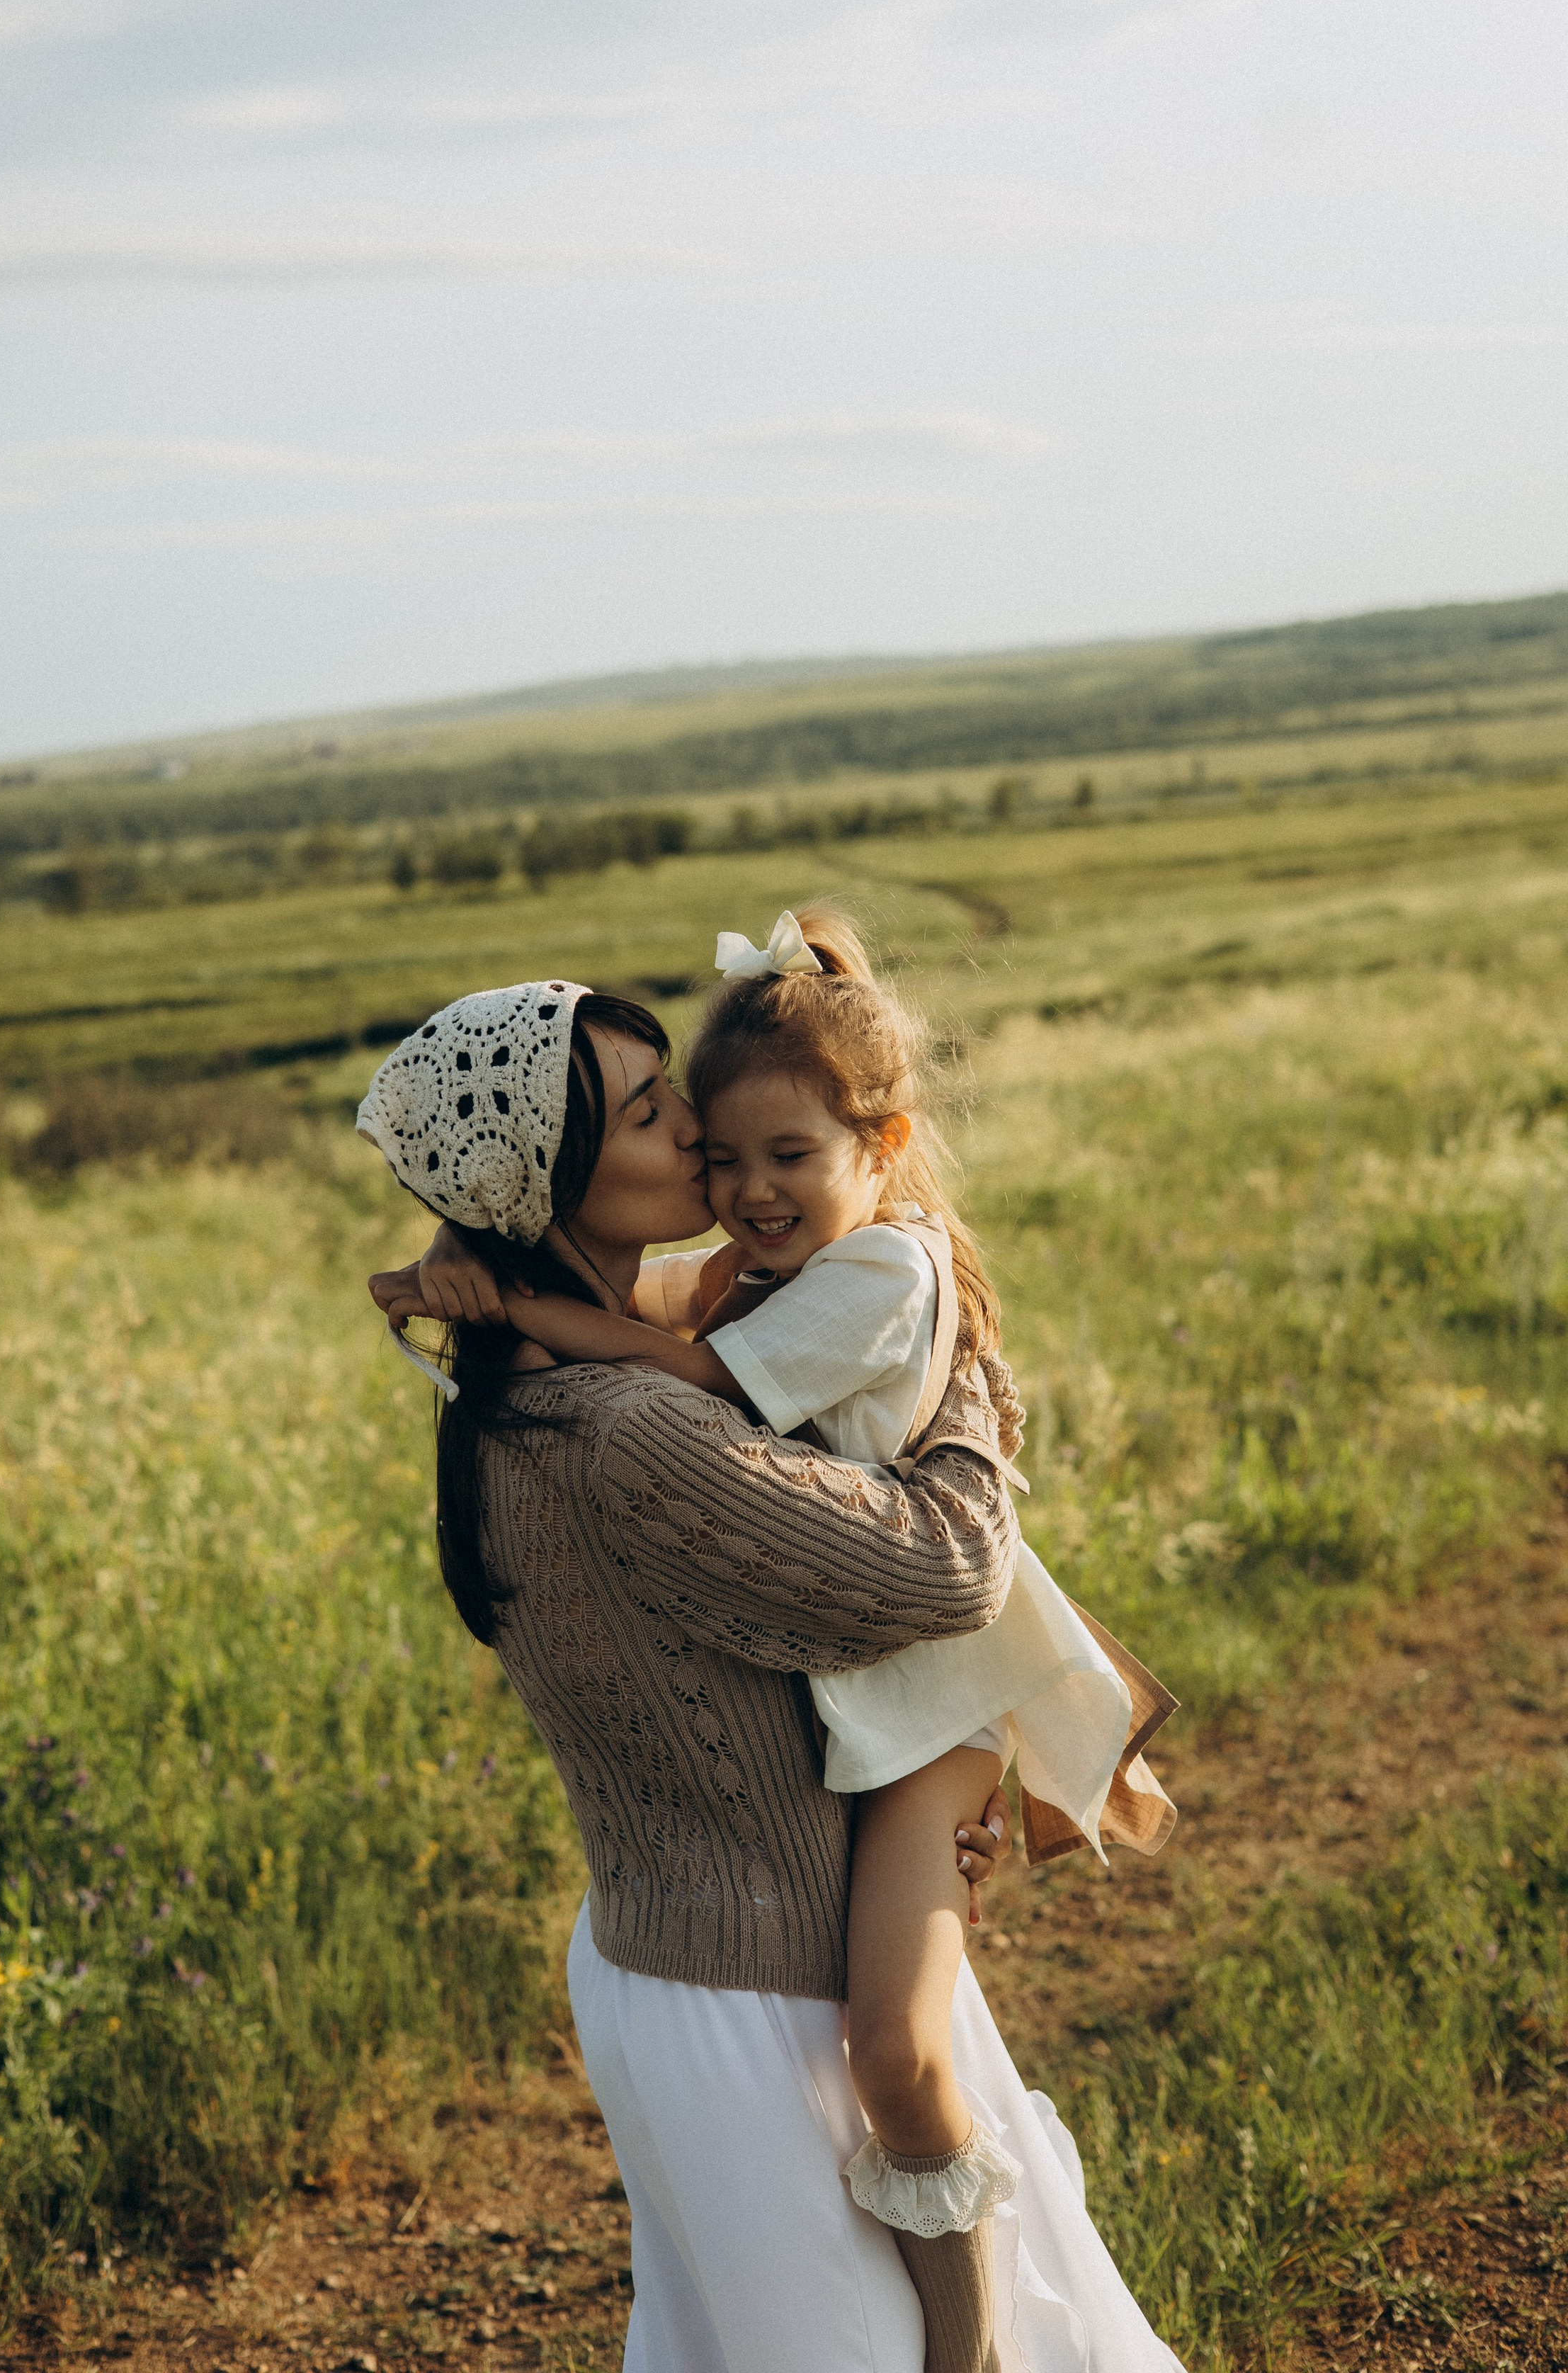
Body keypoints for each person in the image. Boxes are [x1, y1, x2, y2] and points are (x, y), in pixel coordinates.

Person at [363, 977, 1186, 2373]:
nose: (696, 1134)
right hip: (751, 1994)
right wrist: (966, 1369)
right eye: (651, 1110)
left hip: (702, 1947)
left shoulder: (516, 1381)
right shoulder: (628, 1427)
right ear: (556, 1190)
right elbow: (945, 1573)